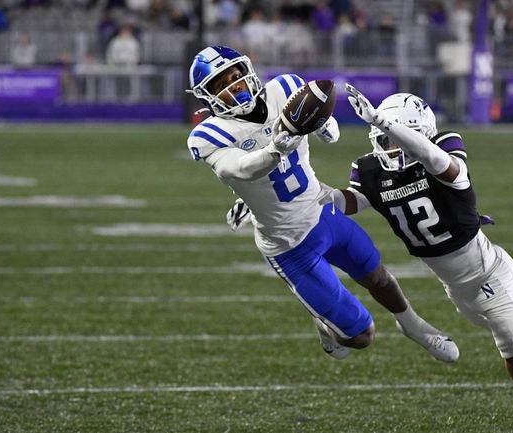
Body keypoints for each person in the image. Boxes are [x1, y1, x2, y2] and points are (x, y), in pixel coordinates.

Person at [320, 85, 513, 422]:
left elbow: (442, 165)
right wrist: (296, 194)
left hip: (489, 273)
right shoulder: (372, 172)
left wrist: (383, 120)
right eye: (384, 138)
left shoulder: (444, 151)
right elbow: (346, 201)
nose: (391, 146)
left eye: (397, 136)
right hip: (457, 288)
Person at [186, 45, 459, 363]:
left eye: (235, 75)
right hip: (288, 245)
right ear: (209, 97)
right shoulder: (209, 134)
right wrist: (277, 145)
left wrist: (323, 124)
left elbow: (330, 132)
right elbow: (242, 169)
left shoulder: (284, 89)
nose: (235, 85)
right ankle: (325, 324)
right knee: (361, 336)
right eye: (222, 84)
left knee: (378, 276)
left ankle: (414, 326)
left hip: (321, 209)